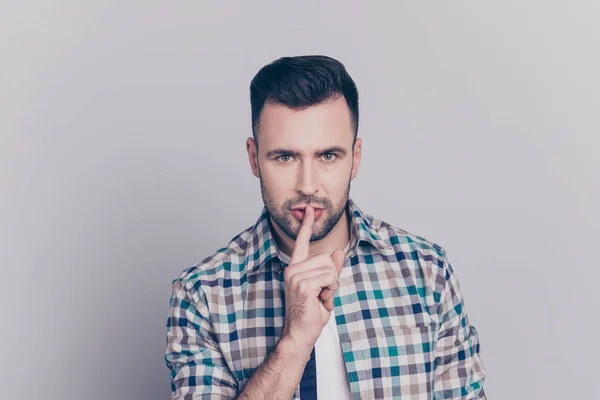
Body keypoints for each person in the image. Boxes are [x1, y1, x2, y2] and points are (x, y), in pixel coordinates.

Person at [164, 55, 486, 399]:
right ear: (254, 158)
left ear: (355, 157)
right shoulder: (202, 295)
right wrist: (294, 342)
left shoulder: (426, 272)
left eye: (328, 156)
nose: (308, 185)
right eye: (285, 157)